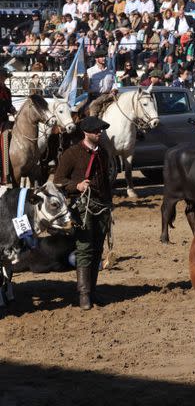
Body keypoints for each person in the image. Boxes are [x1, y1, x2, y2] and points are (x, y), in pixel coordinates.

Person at [53, 116, 113, 310]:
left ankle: (93, 291)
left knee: (97, 249)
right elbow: (58, 181)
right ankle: (84, 294)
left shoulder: (103, 152)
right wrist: (76, 185)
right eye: (97, 130)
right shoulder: (71, 154)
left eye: (101, 130)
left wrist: (109, 205)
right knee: (84, 249)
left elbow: (107, 180)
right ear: (86, 132)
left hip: (102, 207)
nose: (100, 133)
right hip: (82, 208)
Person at [86, 49, 118, 117]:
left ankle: (94, 125)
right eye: (101, 57)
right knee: (77, 108)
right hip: (93, 96)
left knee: (93, 105)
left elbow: (115, 85)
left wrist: (114, 90)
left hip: (107, 95)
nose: (104, 58)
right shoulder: (89, 71)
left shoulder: (110, 72)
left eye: (104, 56)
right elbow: (85, 87)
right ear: (96, 59)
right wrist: (85, 79)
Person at [0, 69, 16, 185]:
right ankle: (4, 174)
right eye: (2, 77)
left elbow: (9, 105)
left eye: (4, 77)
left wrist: (12, 110)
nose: (3, 79)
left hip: (5, 120)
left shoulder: (7, 90)